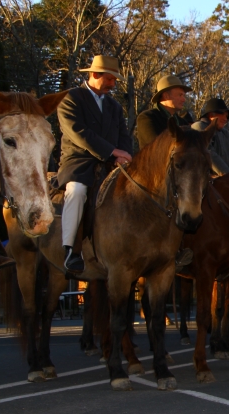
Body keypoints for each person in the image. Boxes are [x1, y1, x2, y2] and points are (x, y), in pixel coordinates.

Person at [56, 55, 133, 273]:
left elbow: (123, 135)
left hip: (112, 162)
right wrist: (112, 151)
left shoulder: (115, 107)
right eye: (109, 79)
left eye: (114, 80)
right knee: (77, 191)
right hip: (78, 160)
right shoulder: (71, 98)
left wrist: (125, 155)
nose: (113, 84)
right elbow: (78, 133)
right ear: (94, 74)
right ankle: (71, 249)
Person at [136, 75, 194, 149]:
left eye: (183, 95)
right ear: (166, 95)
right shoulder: (147, 118)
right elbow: (157, 148)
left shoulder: (183, 122)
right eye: (180, 95)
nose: (183, 99)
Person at [191, 98, 229, 174]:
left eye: (226, 116)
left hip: (225, 181)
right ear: (211, 114)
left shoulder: (226, 134)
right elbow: (209, 153)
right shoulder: (198, 127)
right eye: (222, 114)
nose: (225, 119)